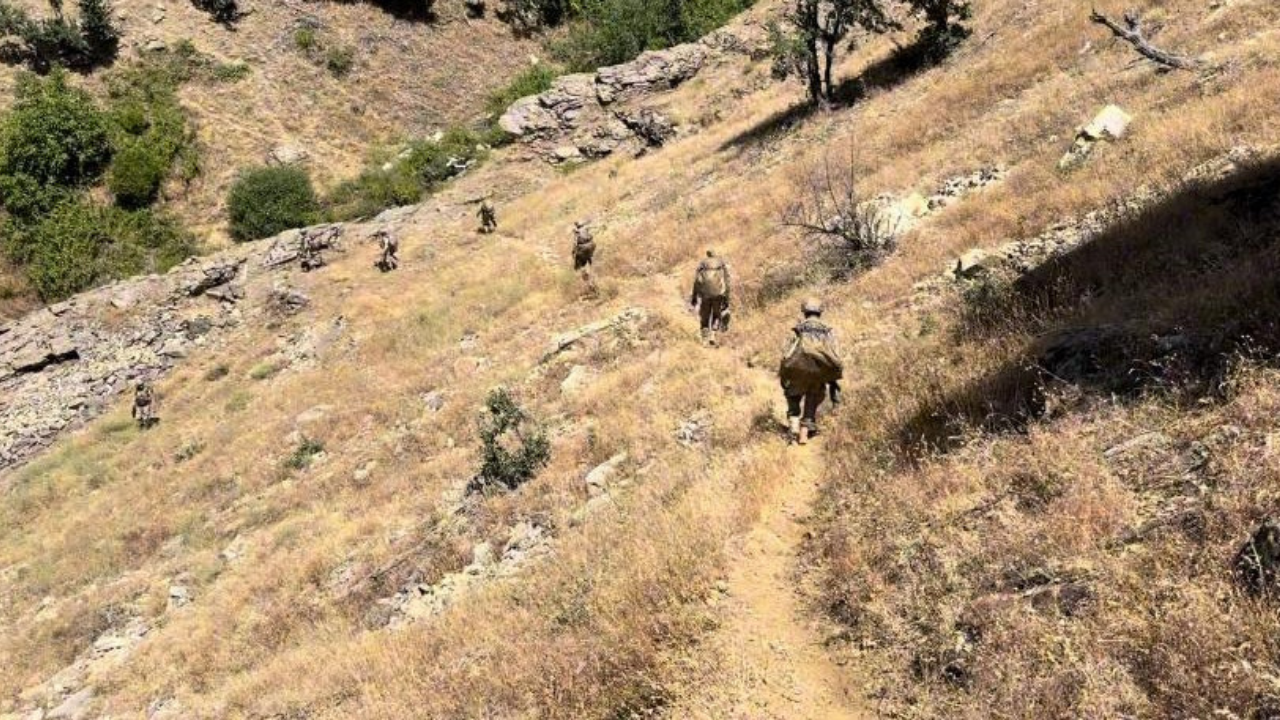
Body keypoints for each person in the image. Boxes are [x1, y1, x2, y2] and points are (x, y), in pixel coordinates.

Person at [779, 298, 843, 445]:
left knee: (793, 396)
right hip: (818, 371)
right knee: (813, 397)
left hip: (798, 369)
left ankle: (793, 425)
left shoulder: (797, 329)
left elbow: (786, 352)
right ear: (820, 312)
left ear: (805, 311)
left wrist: (784, 373)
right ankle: (804, 432)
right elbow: (835, 353)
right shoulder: (828, 331)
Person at [689, 249, 731, 346]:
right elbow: (727, 281)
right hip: (718, 294)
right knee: (717, 314)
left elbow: (697, 281)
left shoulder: (702, 265)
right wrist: (726, 297)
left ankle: (704, 339)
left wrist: (694, 297)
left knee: (705, 316)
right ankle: (713, 335)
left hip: (705, 294)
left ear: (707, 255)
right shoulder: (721, 265)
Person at [572, 221, 597, 292]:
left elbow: (575, 244)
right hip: (591, 245)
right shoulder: (585, 228)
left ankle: (587, 278)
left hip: (583, 248)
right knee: (590, 259)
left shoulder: (577, 232)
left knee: (578, 263)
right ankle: (590, 267)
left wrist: (573, 252)